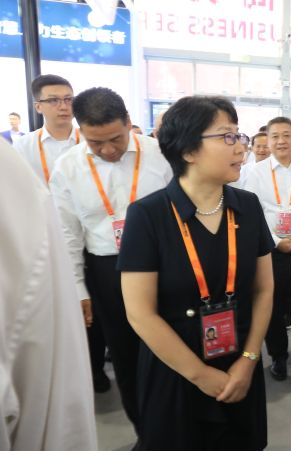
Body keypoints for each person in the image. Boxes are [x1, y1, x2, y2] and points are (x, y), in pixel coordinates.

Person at [117, 95, 274, 451]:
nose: (241, 147)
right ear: (188, 150)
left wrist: (249, 360)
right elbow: (140, 313)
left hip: (239, 365)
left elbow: (263, 290)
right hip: (175, 370)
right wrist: (200, 375)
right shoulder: (148, 215)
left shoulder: (247, 206)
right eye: (227, 136)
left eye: (239, 135)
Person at [49, 87, 173, 440]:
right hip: (107, 271)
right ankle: (146, 435)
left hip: (164, 266)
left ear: (129, 123)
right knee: (125, 355)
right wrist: (78, 288)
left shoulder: (161, 155)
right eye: (95, 142)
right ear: (81, 132)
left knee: (171, 348)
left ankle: (177, 429)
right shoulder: (68, 167)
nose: (107, 150)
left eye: (115, 139)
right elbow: (68, 234)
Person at [0, 138, 97, 451]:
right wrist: (79, 285)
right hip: (92, 260)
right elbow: (68, 228)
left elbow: (55, 402)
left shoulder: (9, 178)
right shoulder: (38, 159)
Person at [245, 116, 291, 382]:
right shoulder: (255, 172)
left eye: (287, 135)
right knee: (272, 308)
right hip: (271, 251)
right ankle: (278, 356)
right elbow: (253, 212)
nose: (281, 141)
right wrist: (277, 241)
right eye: (275, 136)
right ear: (268, 139)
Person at [14, 75, 81, 184]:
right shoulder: (23, 146)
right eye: (53, 100)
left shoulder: (90, 140)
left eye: (68, 99)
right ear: (38, 107)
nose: (63, 107)